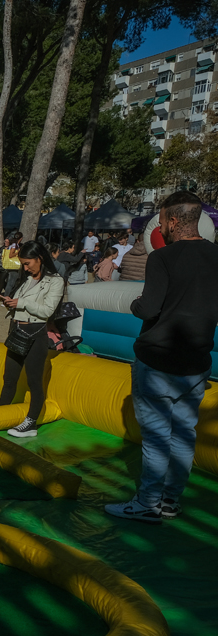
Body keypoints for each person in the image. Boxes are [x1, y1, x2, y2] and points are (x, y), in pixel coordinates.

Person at [106, 191, 218, 523]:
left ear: (171, 220)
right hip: (196, 363)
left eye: (162, 220)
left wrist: (136, 304)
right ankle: (169, 501)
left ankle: (147, 503)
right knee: (185, 433)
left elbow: (149, 308)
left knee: (156, 436)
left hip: (158, 362)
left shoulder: (163, 259)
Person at [0, 241, 65, 438]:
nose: (25, 268)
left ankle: (31, 422)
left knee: (34, 382)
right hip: (18, 332)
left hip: (36, 335)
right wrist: (10, 303)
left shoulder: (55, 281)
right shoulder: (27, 279)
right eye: (23, 264)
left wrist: (21, 302)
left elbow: (47, 311)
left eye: (27, 263)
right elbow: (23, 305)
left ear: (39, 259)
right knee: (9, 379)